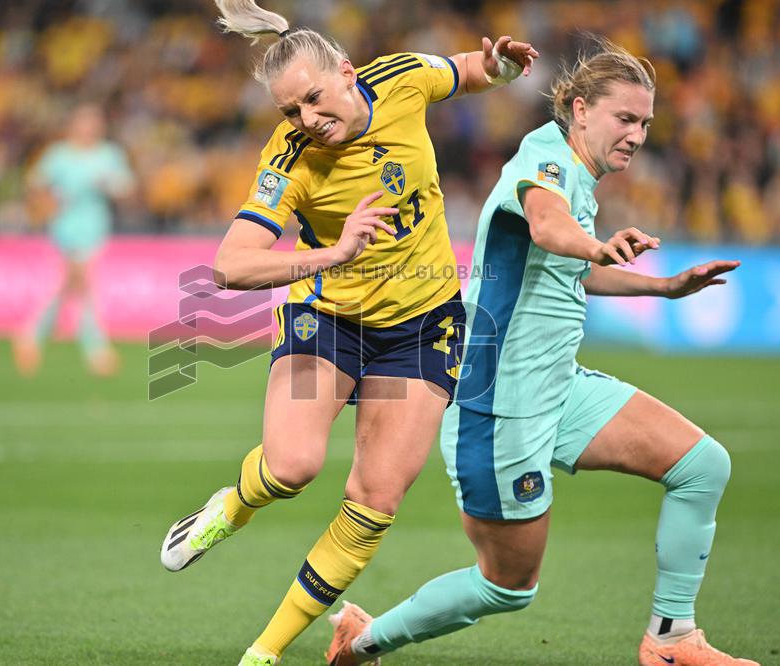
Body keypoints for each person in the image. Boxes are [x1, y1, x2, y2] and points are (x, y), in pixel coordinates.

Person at [326, 38, 759, 666]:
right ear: (580, 110)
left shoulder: (581, 174)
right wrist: (597, 244)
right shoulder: (546, 156)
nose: (637, 135)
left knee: (703, 465)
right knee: (506, 587)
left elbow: (569, 265)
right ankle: (361, 641)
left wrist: (663, 287)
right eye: (625, 118)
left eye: (645, 124)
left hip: (560, 387)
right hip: (500, 407)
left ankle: (672, 640)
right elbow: (549, 228)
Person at [159, 1, 538, 664]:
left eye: (312, 98)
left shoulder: (403, 78)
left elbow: (469, 70)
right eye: (290, 111)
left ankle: (264, 653)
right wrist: (330, 256)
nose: (306, 119)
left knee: (375, 500)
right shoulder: (290, 159)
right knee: (291, 466)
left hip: (423, 325)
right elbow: (228, 264)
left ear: (345, 71)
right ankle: (233, 505)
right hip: (329, 317)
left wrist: (501, 67)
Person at [13, 103, 135, 376]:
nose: (90, 127)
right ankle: (95, 349)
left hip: (95, 228)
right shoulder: (59, 156)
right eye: (85, 121)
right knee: (82, 285)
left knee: (72, 286)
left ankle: (31, 335)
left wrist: (111, 184)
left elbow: (126, 186)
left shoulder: (108, 154)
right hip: (65, 229)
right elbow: (35, 184)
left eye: (94, 122)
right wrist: (50, 203)